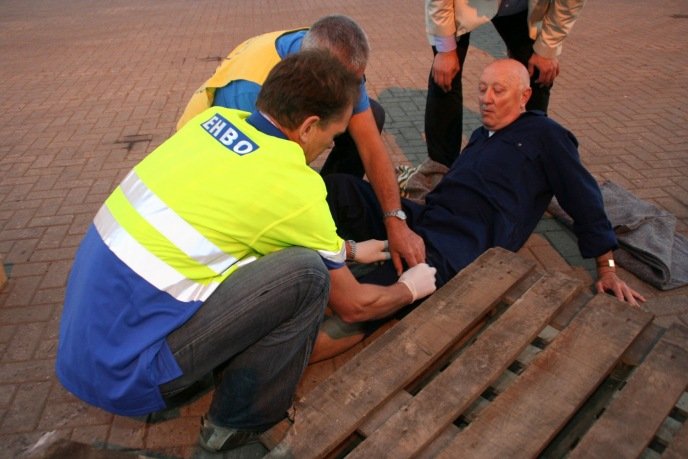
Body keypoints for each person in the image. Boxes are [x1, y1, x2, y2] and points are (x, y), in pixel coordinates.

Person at [55, 50, 437, 453]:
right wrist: (408, 289)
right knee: (307, 275)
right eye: (333, 135)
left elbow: (242, 219)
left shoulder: (212, 123)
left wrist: (350, 250)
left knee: (266, 252)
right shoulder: (295, 186)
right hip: (128, 374)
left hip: (85, 346)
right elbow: (354, 307)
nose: (330, 144)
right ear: (309, 127)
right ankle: (235, 427)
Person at [316, 58, 644, 360]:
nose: (486, 98)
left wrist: (608, 268)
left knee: (370, 297)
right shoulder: (481, 134)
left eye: (498, 91)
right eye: (482, 89)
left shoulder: (546, 135)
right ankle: (304, 250)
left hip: (459, 244)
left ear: (524, 95)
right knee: (341, 188)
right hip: (425, 218)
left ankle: (289, 358)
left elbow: (583, 198)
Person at [178, 14, 425, 274]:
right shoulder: (251, 95)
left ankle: (329, 213)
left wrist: (395, 220)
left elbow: (371, 147)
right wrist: (336, 250)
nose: (331, 143)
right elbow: (258, 193)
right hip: (214, 170)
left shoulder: (334, 56)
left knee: (371, 114)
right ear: (316, 76)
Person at [424, 0, 586, 167]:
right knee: (444, 78)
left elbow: (569, 3)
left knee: (538, 75)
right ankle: (440, 170)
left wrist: (547, 48)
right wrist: (445, 50)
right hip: (460, 6)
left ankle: (527, 160)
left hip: (521, 7)